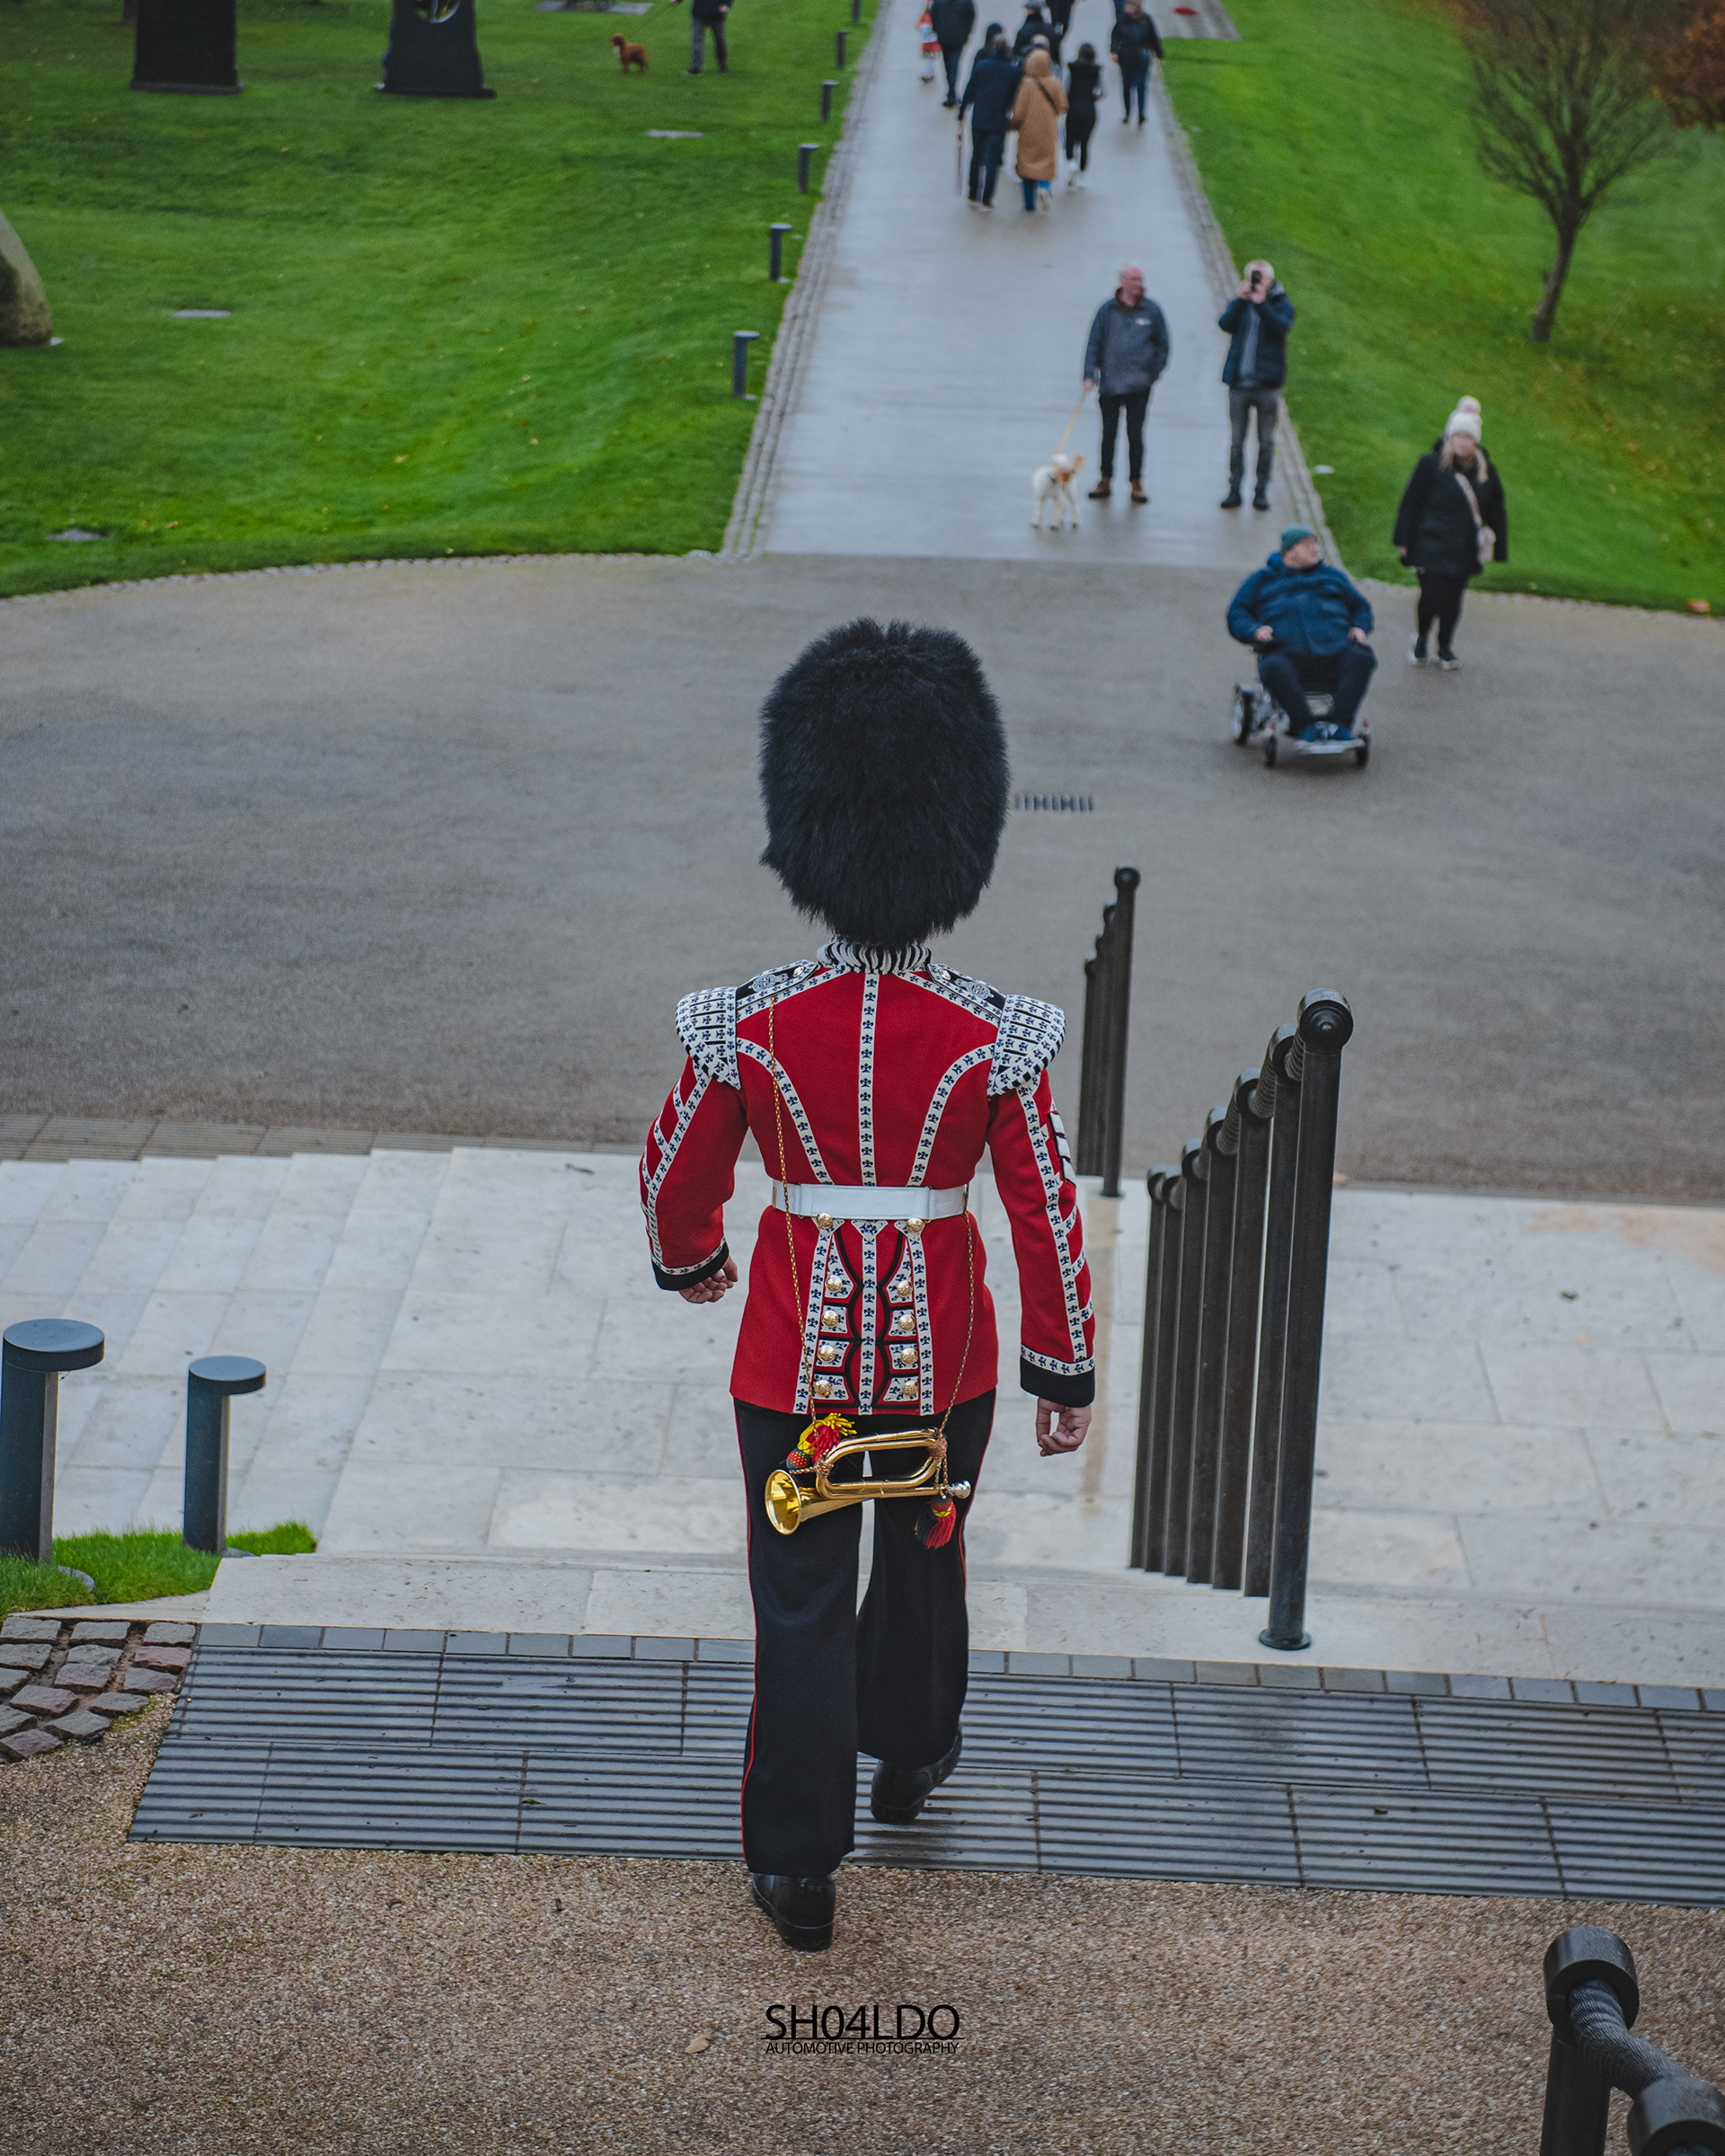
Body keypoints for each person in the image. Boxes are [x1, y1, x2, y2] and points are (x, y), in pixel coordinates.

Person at [641, 619, 1095, 1954]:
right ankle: (910, 1751)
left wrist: (697, 1259)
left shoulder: (749, 1021)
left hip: (792, 1369)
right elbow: (1044, 1209)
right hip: (942, 1367)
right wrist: (1062, 1368)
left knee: (798, 1602)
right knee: (922, 1560)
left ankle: (799, 1866)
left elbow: (674, 1170)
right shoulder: (996, 1039)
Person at [1227, 525, 1377, 741]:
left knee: (1362, 657)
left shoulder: (1332, 576)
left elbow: (1360, 607)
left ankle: (1340, 725)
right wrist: (1254, 630)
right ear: (1290, 550)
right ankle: (1305, 725)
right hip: (1287, 655)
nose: (1315, 549)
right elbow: (1237, 613)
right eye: (1307, 545)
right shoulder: (1262, 580)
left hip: (1336, 652)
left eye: (1315, 544)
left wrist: (1360, 627)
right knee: (1271, 666)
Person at [1392, 398, 1508, 669]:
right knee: (1432, 595)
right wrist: (1403, 540)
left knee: (1453, 600)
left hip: (1463, 548)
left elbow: (1496, 509)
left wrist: (1498, 546)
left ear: (1475, 440)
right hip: (1430, 543)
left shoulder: (1485, 471)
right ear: (1450, 436)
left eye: (1468, 437)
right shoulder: (1430, 465)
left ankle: (1445, 646)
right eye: (1458, 436)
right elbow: (1411, 502)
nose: (1462, 442)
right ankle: (1422, 637)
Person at [1082, 263, 1169, 503]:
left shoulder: (1151, 311)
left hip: (1139, 386)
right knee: (1108, 434)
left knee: (1135, 434)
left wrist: (1153, 374)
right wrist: (1089, 375)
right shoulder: (1106, 311)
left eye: (1140, 280)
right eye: (1133, 280)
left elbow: (1163, 345)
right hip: (1110, 385)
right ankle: (1105, 478)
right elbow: (1094, 343)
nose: (1138, 285)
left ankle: (1136, 482)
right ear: (1122, 281)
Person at [1218, 260, 1295, 512]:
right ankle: (1234, 490)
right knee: (1236, 442)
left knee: (1266, 442)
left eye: (1260, 278)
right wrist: (1242, 301)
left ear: (1270, 281)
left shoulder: (1281, 304)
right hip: (1239, 383)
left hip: (1266, 385)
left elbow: (1280, 328)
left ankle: (1260, 492)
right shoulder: (1241, 302)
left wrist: (1262, 304)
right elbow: (1225, 324)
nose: (1256, 282)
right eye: (1253, 277)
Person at [960, 31, 1021, 211]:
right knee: (993, 160)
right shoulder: (1013, 71)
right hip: (998, 119)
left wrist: (961, 113)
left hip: (979, 117)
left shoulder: (982, 66)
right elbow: (1014, 97)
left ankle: (973, 193)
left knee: (976, 156)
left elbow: (970, 90)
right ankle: (987, 199)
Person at [1010, 46, 1066, 212]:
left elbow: (1019, 112)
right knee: (1045, 162)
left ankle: (1029, 204)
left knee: (1027, 165)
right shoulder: (1054, 83)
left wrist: (1012, 125)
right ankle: (1044, 187)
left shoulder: (1026, 84)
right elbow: (1063, 105)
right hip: (1048, 129)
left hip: (1028, 130)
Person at [1110, 0, 1161, 124]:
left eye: (1131, 4)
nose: (1127, 6)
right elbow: (1115, 36)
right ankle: (1127, 113)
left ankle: (1141, 113)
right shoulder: (1122, 20)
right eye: (1127, 3)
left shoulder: (1146, 20)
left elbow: (1153, 37)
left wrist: (1159, 53)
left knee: (1141, 85)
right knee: (1126, 86)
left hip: (1141, 57)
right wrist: (1114, 51)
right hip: (1126, 57)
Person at [1064, 40, 1100, 185]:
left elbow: (1066, 88)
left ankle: (1071, 162)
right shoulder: (1096, 71)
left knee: (1070, 139)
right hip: (1089, 110)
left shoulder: (1072, 69)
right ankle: (1082, 175)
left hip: (1073, 108)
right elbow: (1103, 91)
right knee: (1085, 143)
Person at [930, 0, 976, 105]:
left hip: (948, 38)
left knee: (950, 66)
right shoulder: (966, 2)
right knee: (952, 66)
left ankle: (951, 93)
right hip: (956, 38)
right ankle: (952, 92)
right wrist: (966, 33)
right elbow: (971, 16)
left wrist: (937, 29)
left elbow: (934, 13)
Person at [670, 0, 730, 75]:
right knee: (697, 39)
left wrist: (726, 4)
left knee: (719, 39)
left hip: (715, 13)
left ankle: (722, 66)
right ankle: (695, 68)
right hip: (700, 12)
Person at [1013, 0, 1061, 67]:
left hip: (1027, 67)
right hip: (1047, 67)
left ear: (1030, 10)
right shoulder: (1050, 30)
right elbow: (1056, 54)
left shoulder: (1024, 31)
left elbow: (1016, 53)